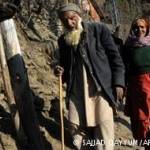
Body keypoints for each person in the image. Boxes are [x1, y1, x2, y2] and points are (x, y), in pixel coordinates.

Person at [55, 3, 125, 150]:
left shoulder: (98, 30)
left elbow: (115, 58)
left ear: (79, 16)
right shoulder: (63, 40)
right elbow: (63, 65)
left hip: (100, 88)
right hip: (77, 91)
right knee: (76, 130)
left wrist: (119, 83)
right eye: (64, 20)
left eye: (72, 18)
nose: (69, 23)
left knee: (103, 130)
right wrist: (58, 70)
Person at [123, 16, 150, 149]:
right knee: (140, 117)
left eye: (142, 27)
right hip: (136, 86)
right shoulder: (128, 46)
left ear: (147, 28)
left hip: (149, 85)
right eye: (136, 27)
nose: (139, 30)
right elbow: (123, 67)